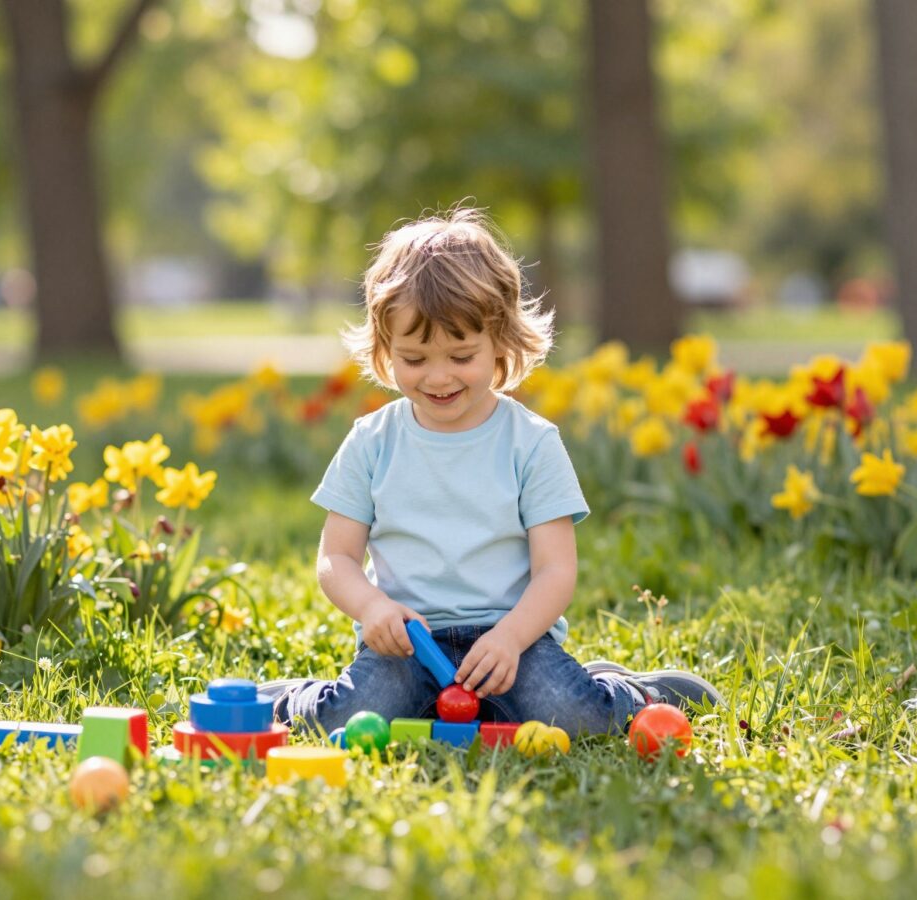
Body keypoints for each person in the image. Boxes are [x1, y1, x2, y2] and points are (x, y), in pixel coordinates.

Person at [259, 208, 722, 736]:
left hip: (511, 638)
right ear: (385, 350)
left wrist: (511, 638)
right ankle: (292, 699)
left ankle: (628, 692)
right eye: (414, 359)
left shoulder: (531, 442)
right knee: (350, 718)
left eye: (461, 356)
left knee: (572, 718)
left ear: (500, 342)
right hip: (410, 641)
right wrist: (371, 607)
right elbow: (335, 557)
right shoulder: (372, 441)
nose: (438, 377)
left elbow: (555, 571)